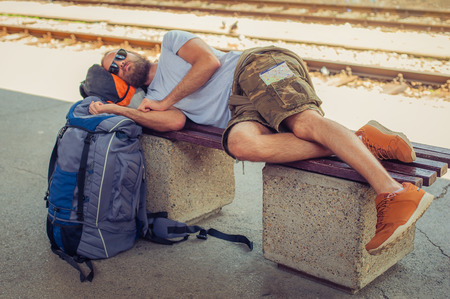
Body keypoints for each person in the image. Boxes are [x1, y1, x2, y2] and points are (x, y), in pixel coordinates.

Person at [89, 30, 433, 256]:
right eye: (115, 68)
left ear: (131, 50)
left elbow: (208, 62)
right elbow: (174, 122)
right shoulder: (154, 99)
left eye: (119, 54)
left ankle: (393, 193)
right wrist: (124, 110)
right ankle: (360, 142)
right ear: (122, 84)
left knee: (303, 122)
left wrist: (164, 101)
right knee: (240, 145)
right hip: (241, 110)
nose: (121, 62)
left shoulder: (170, 44)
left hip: (256, 67)